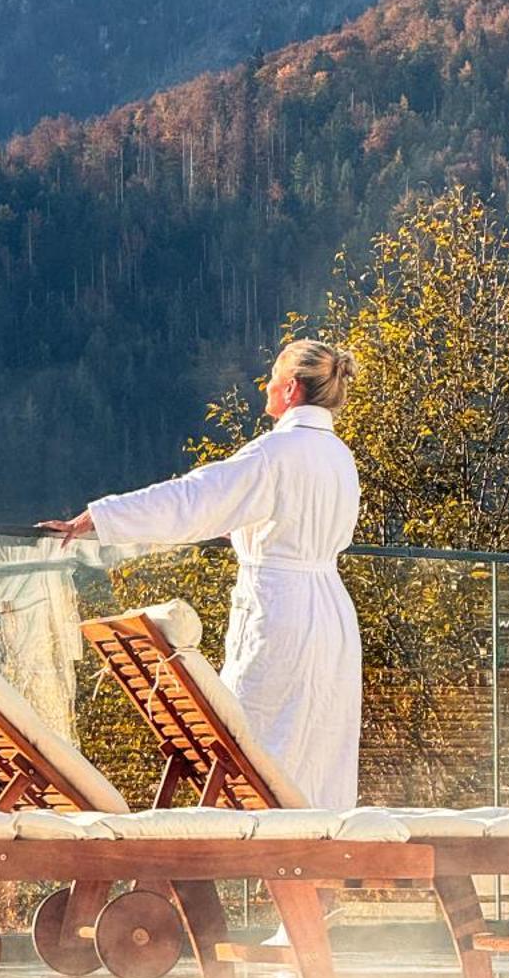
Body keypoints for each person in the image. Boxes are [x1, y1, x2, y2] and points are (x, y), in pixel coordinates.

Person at [39, 338, 362, 809]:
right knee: (319, 752)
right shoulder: (340, 458)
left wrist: (101, 518)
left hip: (281, 612)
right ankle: (314, 868)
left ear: (291, 388)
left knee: (252, 748)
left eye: (273, 375)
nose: (266, 385)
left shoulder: (275, 453)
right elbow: (313, 527)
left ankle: (254, 860)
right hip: (332, 615)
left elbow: (194, 500)